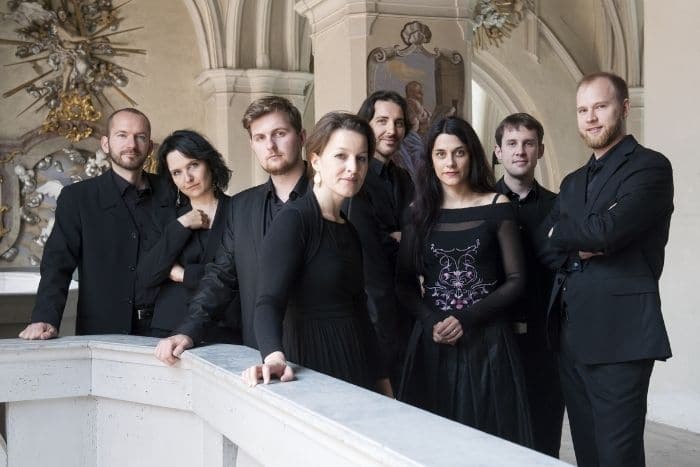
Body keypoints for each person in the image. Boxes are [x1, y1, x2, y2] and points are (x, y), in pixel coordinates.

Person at [539, 72, 673, 467]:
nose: (591, 118)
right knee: (588, 455)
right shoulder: (572, 182)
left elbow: (606, 231)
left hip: (620, 337)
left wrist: (571, 233)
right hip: (570, 336)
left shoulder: (649, 167)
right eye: (583, 110)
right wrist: (579, 242)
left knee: (618, 457)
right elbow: (547, 243)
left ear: (624, 108)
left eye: (600, 106)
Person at [397, 116, 532, 446]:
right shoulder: (416, 212)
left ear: (471, 155)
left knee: (490, 445)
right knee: (430, 445)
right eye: (441, 154)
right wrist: (431, 321)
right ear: (430, 159)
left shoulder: (497, 206)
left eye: (459, 152)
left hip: (488, 345)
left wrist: (466, 318)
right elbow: (403, 283)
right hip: (433, 343)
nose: (450, 163)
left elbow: (516, 280)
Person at [241, 111, 391, 395]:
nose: (353, 168)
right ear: (315, 160)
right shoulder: (293, 220)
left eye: (361, 158)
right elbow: (268, 301)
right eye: (341, 156)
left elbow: (361, 312)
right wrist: (273, 357)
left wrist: (383, 383)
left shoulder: (349, 229)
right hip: (313, 362)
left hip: (356, 364)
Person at [154, 96, 309, 364]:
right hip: (261, 353)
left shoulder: (335, 197)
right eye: (260, 138)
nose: (270, 145)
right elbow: (221, 277)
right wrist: (188, 331)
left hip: (324, 350)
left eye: (280, 133)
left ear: (302, 137)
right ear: (252, 145)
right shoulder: (241, 206)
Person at [19, 108, 172, 339]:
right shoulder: (77, 198)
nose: (131, 144)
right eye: (122, 135)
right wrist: (45, 318)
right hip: (101, 330)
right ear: (106, 144)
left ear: (150, 147)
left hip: (166, 332)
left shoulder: (173, 192)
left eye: (140, 137)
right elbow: (57, 263)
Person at [494, 113, 564, 457]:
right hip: (495, 337)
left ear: (540, 151)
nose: (520, 151)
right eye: (511, 143)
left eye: (528, 143)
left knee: (544, 437)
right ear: (498, 152)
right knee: (498, 438)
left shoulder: (559, 206)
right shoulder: (480, 202)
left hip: (544, 340)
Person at [136, 130, 238, 342]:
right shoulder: (165, 217)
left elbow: (240, 277)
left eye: (193, 165)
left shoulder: (238, 210)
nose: (187, 178)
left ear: (209, 162)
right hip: (169, 329)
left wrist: (183, 275)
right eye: (177, 172)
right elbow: (147, 276)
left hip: (225, 328)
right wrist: (181, 225)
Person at [346, 90, 414, 388]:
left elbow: (417, 234)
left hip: (406, 303)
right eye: (382, 121)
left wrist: (400, 237)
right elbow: (365, 244)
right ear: (366, 125)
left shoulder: (404, 179)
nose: (392, 130)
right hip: (371, 308)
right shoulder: (355, 179)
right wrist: (397, 238)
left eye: (399, 123)